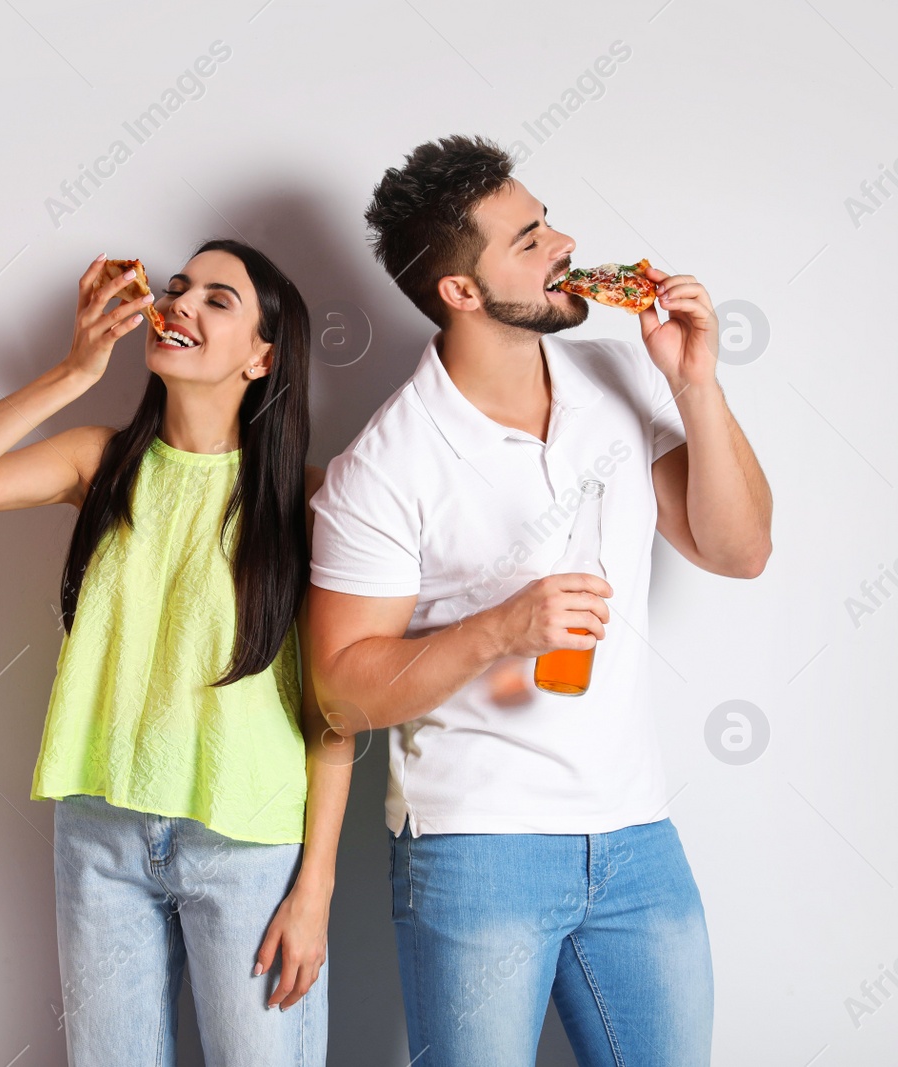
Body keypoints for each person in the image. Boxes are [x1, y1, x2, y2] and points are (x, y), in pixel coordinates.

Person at [306, 135, 772, 1066]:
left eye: (546, 218)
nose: (563, 242)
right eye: (528, 239)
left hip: (636, 834)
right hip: (478, 849)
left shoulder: (617, 374)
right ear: (461, 293)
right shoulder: (384, 468)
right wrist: (499, 628)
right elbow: (341, 693)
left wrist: (696, 384)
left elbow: (740, 547)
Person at [0, 239, 349, 1067]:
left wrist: (315, 888)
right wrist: (74, 371)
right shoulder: (101, 460)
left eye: (219, 300)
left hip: (247, 841)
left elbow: (337, 709)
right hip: (101, 830)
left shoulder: (311, 500)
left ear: (262, 357)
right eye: (179, 289)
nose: (180, 304)